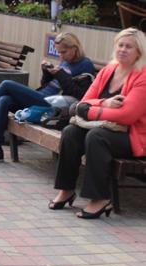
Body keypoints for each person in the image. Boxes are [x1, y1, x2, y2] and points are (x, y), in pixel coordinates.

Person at [49, 28, 146, 219]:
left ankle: (100, 199)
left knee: (96, 137)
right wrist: (105, 104)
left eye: (129, 47)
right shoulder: (109, 70)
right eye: (120, 45)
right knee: (70, 132)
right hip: (106, 127)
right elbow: (83, 102)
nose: (123, 50)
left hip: (133, 135)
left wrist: (89, 110)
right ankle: (66, 189)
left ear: (139, 51)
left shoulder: (143, 76)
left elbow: (127, 115)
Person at [0, 32, 95, 163]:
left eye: (64, 52)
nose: (61, 56)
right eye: (59, 52)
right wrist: (46, 72)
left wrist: (60, 74)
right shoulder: (66, 62)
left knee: (6, 85)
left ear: (75, 48)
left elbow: (81, 95)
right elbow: (48, 85)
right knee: (4, 100)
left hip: (55, 106)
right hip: (44, 98)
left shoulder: (85, 65)